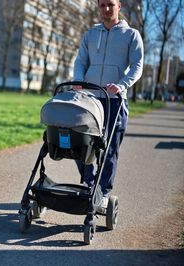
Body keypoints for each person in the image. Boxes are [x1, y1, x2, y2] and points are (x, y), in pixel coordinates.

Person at [72, 0, 143, 212]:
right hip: (90, 99)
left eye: (111, 4)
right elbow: (80, 61)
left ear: (119, 6)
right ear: (98, 7)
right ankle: (89, 183)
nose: (107, 9)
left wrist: (122, 85)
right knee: (80, 142)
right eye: (102, 5)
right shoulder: (90, 34)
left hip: (114, 100)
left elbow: (137, 66)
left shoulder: (131, 35)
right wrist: (78, 80)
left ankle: (102, 193)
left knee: (109, 148)